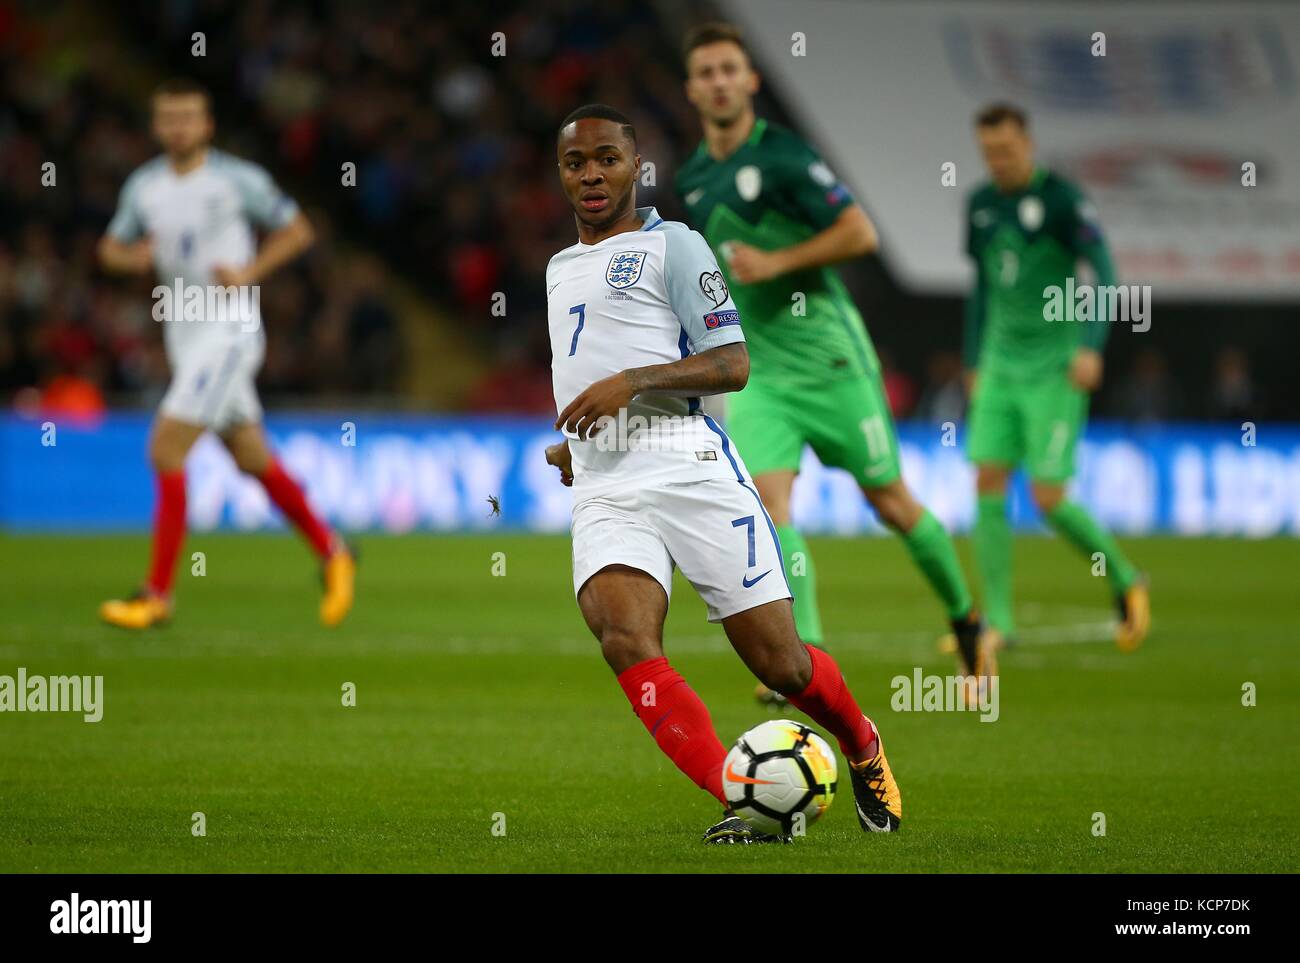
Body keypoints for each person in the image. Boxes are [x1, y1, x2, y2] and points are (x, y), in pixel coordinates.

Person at [543, 104, 901, 841]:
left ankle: (863, 744)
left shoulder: (675, 245)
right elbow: (587, 365)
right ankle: (743, 796)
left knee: (782, 662)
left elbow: (733, 364)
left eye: (606, 158)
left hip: (688, 463)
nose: (591, 174)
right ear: (561, 173)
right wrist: (576, 447)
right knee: (622, 636)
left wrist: (632, 382)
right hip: (605, 483)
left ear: (636, 167)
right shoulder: (557, 266)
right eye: (576, 163)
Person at [674, 23, 992, 697]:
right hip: (761, 373)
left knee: (891, 502)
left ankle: (968, 620)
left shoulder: (785, 157)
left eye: (731, 68)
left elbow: (858, 231)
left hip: (832, 361)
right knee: (767, 504)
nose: (720, 81)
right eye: (706, 72)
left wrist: (777, 262)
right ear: (691, 89)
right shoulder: (695, 177)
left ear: (751, 79)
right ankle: (804, 654)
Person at [97, 79, 355, 630]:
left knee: (166, 449)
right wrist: (133, 258)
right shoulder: (144, 187)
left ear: (207, 125)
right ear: (157, 126)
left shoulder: (237, 179)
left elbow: (298, 229)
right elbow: (109, 249)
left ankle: (156, 595)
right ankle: (334, 552)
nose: (179, 127)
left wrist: (250, 273)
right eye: (169, 118)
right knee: (250, 457)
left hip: (231, 331)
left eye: (189, 117)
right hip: (184, 333)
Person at [964, 102, 1149, 649]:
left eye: (1007, 149)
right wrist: (974, 359)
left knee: (1047, 495)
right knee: (987, 481)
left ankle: (1125, 577)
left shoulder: (1063, 200)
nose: (998, 159)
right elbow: (980, 287)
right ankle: (998, 620)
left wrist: (1091, 345)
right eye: (989, 151)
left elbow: (1107, 272)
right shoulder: (979, 204)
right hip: (999, 364)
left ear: (1029, 144)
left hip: (1052, 368)